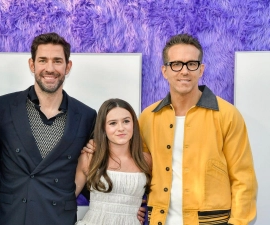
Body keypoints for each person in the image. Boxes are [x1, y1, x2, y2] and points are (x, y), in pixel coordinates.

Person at [138, 33, 258, 225]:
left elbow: (244, 179)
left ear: (201, 70)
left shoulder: (227, 114)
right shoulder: (147, 117)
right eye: (176, 64)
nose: (184, 71)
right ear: (164, 71)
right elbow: (138, 171)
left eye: (191, 64)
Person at [0, 32, 97, 225]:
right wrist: (13, 194)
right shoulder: (2, 107)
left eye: (57, 61)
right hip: (12, 216)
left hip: (58, 218)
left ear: (67, 66)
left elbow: (91, 168)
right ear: (32, 65)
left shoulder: (87, 116)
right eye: (43, 60)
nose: (50, 68)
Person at [74, 98, 152, 225]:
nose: (121, 128)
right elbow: (67, 199)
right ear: (103, 128)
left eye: (126, 121)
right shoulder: (90, 157)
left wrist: (146, 209)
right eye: (113, 123)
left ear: (134, 124)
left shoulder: (146, 160)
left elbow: (161, 196)